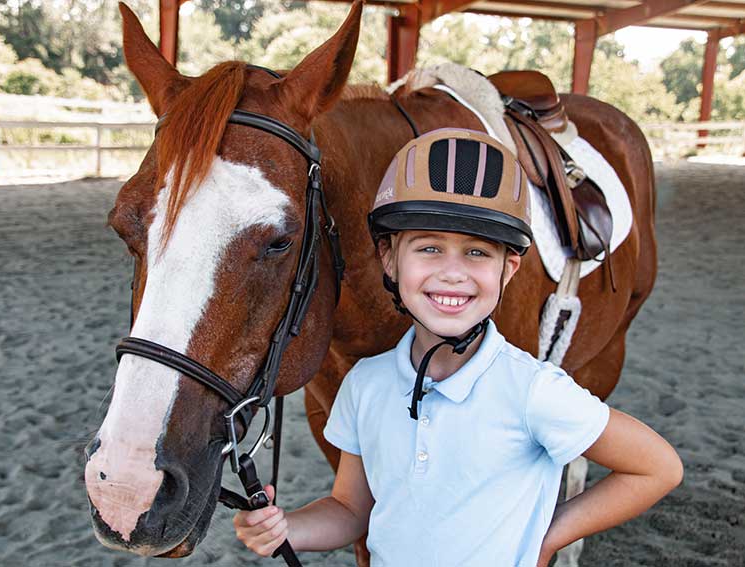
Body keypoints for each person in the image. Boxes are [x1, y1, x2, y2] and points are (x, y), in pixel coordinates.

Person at [233, 128, 682, 566]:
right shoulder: (365, 385)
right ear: (389, 258)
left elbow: (657, 467)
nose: (452, 273)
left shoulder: (532, 390)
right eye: (429, 248)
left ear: (509, 269)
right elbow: (351, 510)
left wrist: (549, 535)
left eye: (476, 253)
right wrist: (287, 528)